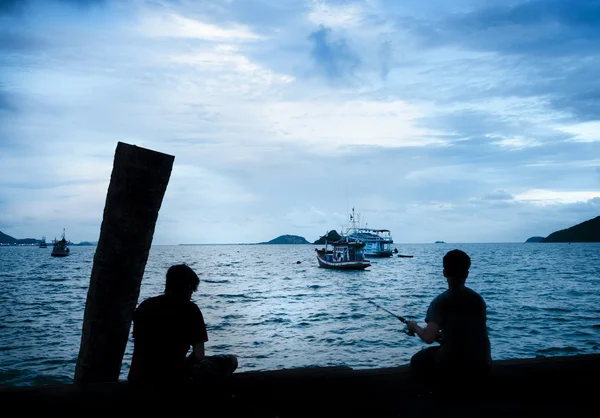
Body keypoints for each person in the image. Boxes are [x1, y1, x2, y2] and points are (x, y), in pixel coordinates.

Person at [128, 264, 238, 393]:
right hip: (172, 379)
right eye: (192, 290)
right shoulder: (190, 309)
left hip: (139, 378)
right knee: (231, 360)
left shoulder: (145, 306)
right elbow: (199, 355)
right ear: (188, 288)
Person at [406, 249, 491, 397]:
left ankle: (429, 399)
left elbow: (428, 338)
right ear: (467, 274)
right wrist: (444, 335)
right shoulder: (477, 300)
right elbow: (468, 332)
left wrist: (413, 326)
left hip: (454, 365)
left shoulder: (441, 301)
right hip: (482, 362)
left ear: (444, 272)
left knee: (417, 360)